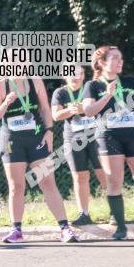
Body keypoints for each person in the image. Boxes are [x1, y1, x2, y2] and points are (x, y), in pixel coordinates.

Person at [0, 67, 80, 243]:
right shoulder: (1, 85)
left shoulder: (35, 80)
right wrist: (6, 103)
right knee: (17, 186)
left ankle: (65, 229)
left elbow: (45, 108)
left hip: (36, 139)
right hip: (12, 141)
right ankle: (16, 230)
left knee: (47, 181)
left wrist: (49, 131)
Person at [81, 46, 134, 240]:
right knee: (114, 181)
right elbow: (88, 111)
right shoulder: (93, 85)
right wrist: (107, 94)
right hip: (108, 137)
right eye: (115, 58)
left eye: (121, 58)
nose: (120, 61)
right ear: (102, 62)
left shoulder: (131, 82)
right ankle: (121, 227)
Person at [50, 71, 106, 225]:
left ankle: (115, 211)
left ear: (83, 75)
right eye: (71, 73)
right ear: (64, 75)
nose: (76, 76)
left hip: (96, 136)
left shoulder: (92, 87)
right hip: (73, 139)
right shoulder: (60, 92)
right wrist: (72, 110)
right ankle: (84, 214)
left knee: (103, 173)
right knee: (79, 177)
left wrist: (86, 108)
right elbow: (55, 115)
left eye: (79, 73)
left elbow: (104, 106)